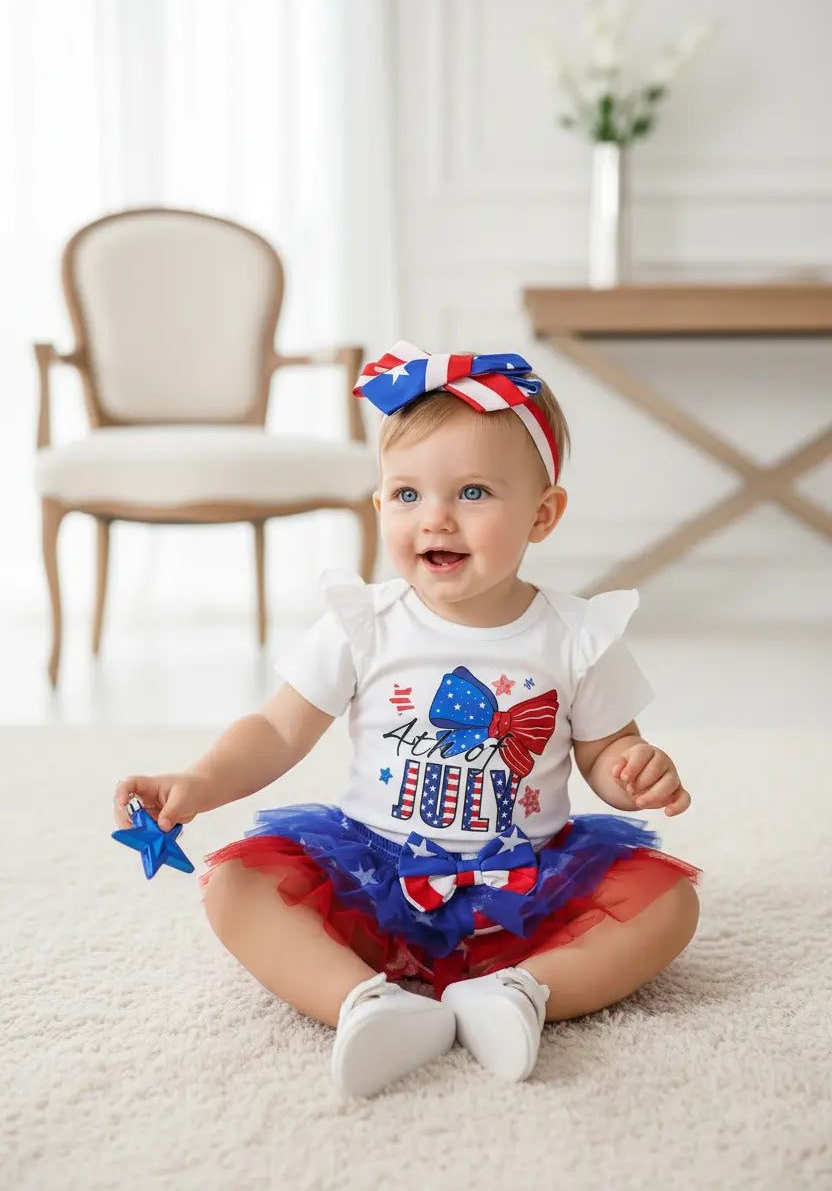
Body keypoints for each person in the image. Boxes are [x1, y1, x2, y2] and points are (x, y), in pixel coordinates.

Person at [113, 339, 700, 1099]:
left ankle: (520, 991)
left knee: (668, 905)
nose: (438, 520)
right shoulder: (366, 624)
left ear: (543, 515)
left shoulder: (576, 635)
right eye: (408, 495)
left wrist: (631, 771)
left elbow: (605, 749)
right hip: (374, 876)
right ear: (380, 504)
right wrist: (197, 780)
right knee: (236, 889)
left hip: (524, 884)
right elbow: (279, 728)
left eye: (475, 493)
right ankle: (366, 1003)